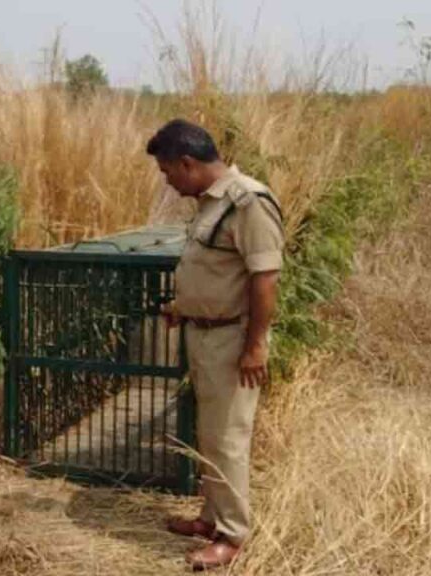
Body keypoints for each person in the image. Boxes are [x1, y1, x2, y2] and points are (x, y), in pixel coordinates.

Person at [148, 119, 285, 570]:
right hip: (204, 332)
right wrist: (184, 306)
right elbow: (218, 272)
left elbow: (265, 279)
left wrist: (255, 346)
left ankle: (232, 535)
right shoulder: (213, 204)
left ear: (187, 163)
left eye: (168, 171)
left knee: (227, 438)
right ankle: (211, 517)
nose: (167, 181)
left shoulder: (248, 202)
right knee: (210, 433)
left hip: (232, 339)